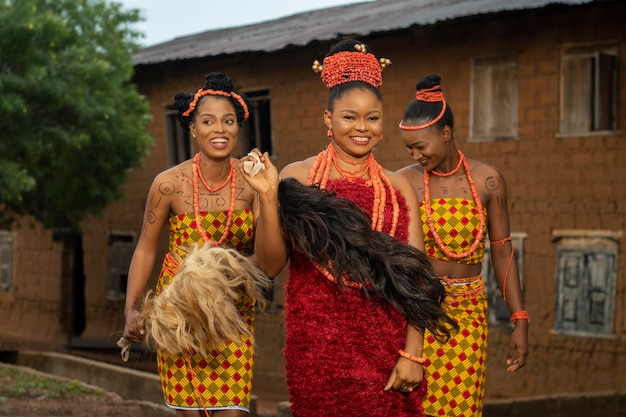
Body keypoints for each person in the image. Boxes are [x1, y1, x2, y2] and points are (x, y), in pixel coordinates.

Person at [265, 39, 454, 417]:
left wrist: (412, 352)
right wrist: (269, 198)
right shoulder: (297, 179)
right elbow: (270, 266)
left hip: (385, 348)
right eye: (349, 117)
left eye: (373, 117)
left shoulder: (398, 188)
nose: (362, 128)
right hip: (316, 348)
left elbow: (417, 279)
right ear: (328, 120)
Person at [122, 72, 284, 417]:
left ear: (239, 127)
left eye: (228, 121)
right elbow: (146, 249)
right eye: (208, 121)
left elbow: (271, 264)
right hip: (179, 315)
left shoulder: (252, 182)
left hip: (232, 311)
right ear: (193, 128)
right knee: (188, 412)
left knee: (233, 411)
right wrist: (131, 309)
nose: (220, 130)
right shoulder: (168, 185)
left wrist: (269, 196)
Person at [396, 73, 530, 417]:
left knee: (461, 408)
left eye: (420, 146)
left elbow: (502, 252)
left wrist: (520, 319)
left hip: (469, 315)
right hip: (418, 311)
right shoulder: (404, 180)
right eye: (409, 148)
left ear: (445, 133)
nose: (415, 154)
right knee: (414, 406)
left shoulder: (488, 181)